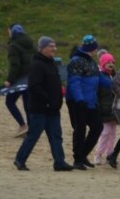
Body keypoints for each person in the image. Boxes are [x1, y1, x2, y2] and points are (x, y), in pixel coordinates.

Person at [13, 36, 74, 172]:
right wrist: (48, 100)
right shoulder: (37, 65)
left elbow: (55, 85)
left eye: (54, 46)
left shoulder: (51, 63)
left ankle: (59, 162)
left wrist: (57, 101)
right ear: (42, 48)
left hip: (53, 109)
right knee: (33, 135)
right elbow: (34, 86)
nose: (54, 49)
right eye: (51, 46)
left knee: (56, 136)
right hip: (40, 108)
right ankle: (20, 159)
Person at [66, 35, 110, 170]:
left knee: (97, 127)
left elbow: (100, 78)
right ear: (89, 49)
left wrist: (115, 85)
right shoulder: (76, 61)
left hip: (91, 101)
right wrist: (79, 99)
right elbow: (74, 83)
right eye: (94, 49)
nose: (95, 51)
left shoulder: (90, 61)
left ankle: (82, 155)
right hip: (77, 101)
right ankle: (78, 160)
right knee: (80, 130)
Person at [4, 24, 33, 137]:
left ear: (13, 32)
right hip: (31, 78)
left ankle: (22, 125)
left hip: (19, 80)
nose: (9, 34)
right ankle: (31, 127)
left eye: (9, 32)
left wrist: (9, 80)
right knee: (27, 103)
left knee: (9, 101)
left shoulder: (13, 46)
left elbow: (15, 65)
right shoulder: (31, 44)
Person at [92, 52, 117, 165]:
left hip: (114, 110)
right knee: (105, 132)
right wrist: (98, 108)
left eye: (112, 62)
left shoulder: (114, 75)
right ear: (103, 64)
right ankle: (98, 154)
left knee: (112, 132)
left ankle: (109, 153)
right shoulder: (100, 76)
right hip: (104, 109)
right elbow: (97, 93)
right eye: (108, 62)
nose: (111, 64)